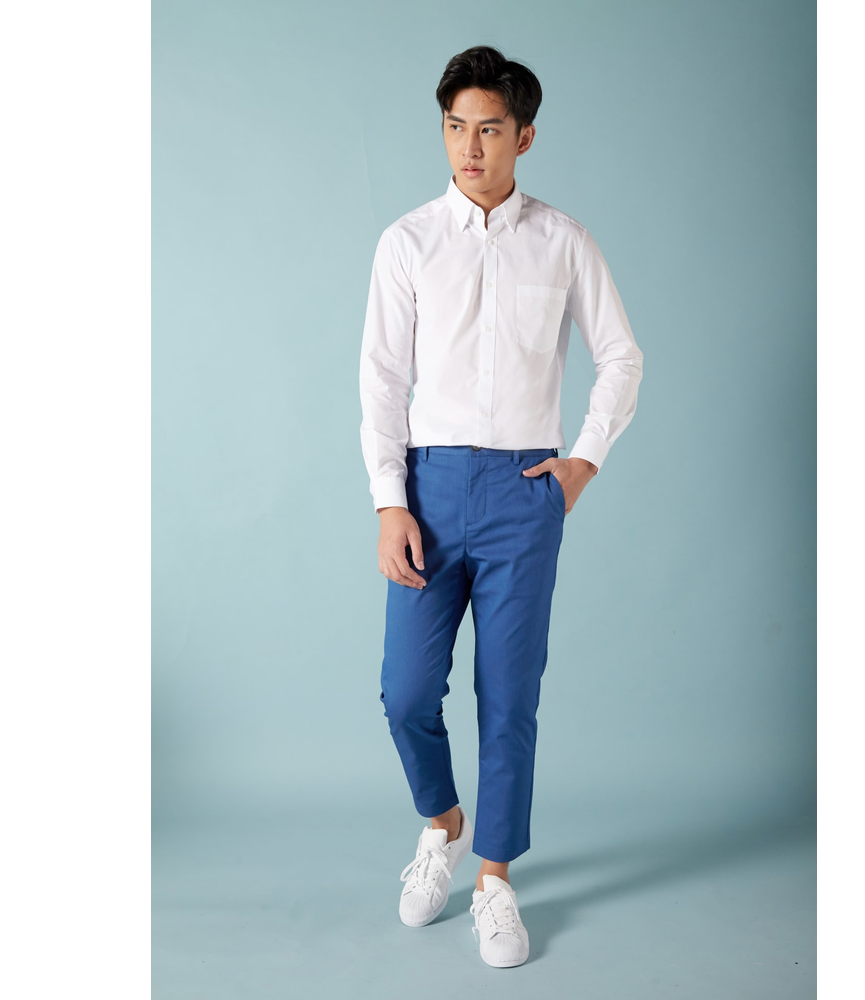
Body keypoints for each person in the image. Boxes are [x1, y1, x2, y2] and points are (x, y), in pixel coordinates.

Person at [358, 44, 643, 968]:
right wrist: (389, 503)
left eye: (488, 129)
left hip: (526, 492)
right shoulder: (407, 243)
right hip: (431, 490)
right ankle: (442, 826)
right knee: (407, 692)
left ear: (524, 136)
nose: (469, 147)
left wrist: (581, 463)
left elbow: (621, 355)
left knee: (509, 696)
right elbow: (382, 381)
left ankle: (493, 880)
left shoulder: (563, 241)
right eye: (455, 127)